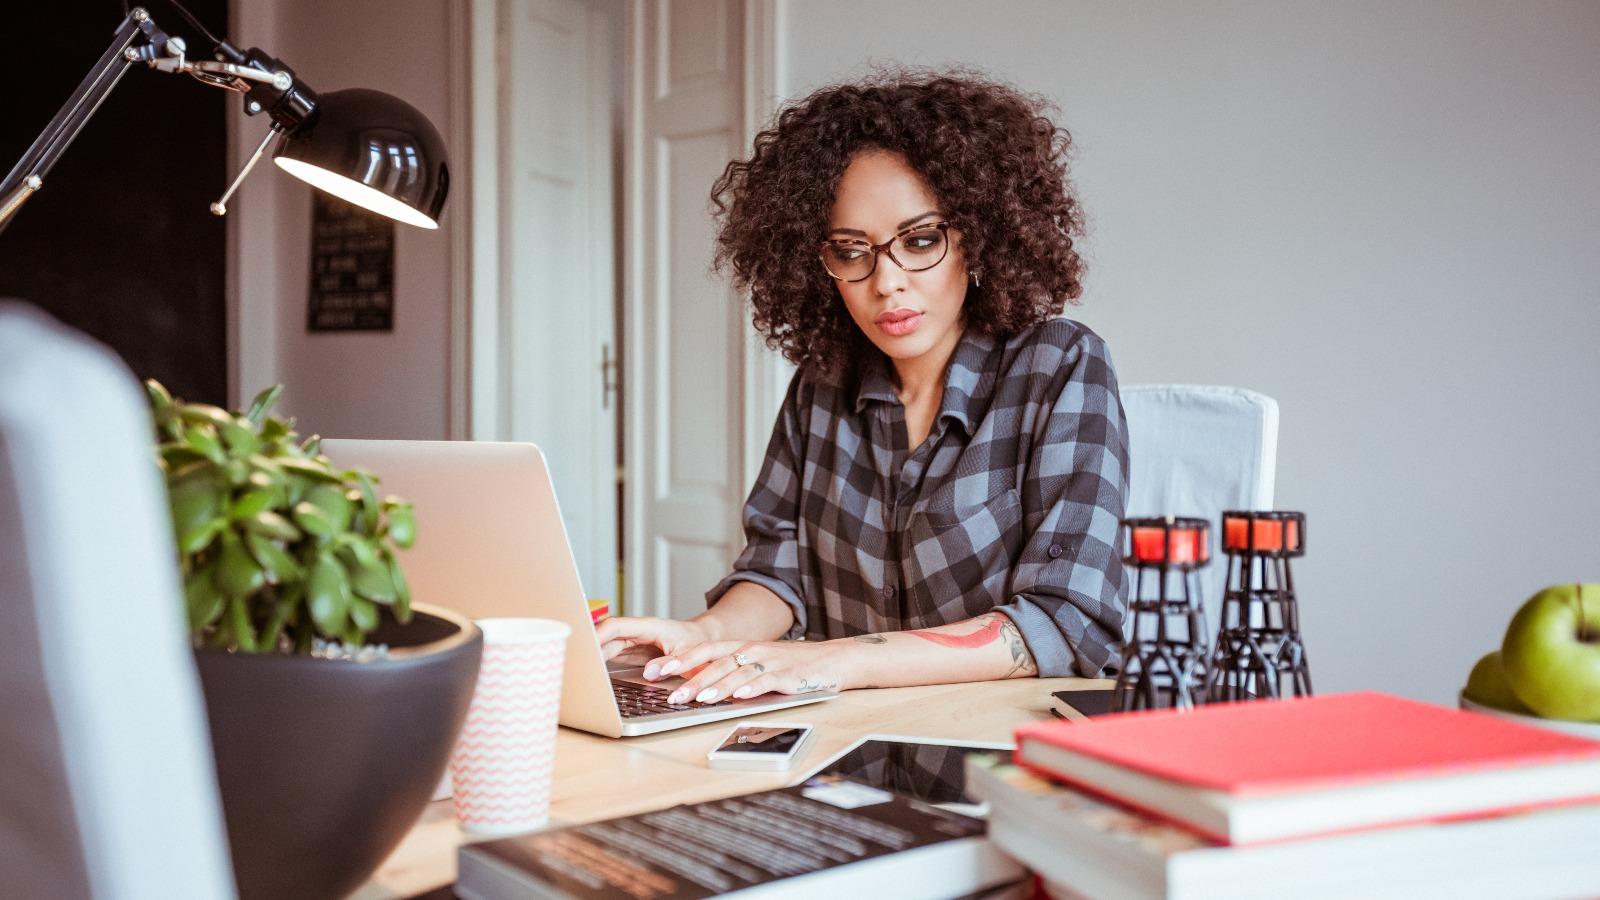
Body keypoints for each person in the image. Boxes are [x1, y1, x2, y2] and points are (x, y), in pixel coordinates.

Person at [597, 69, 1129, 706]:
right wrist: (699, 634)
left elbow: (1065, 621)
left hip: (999, 767)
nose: (887, 282)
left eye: (920, 240)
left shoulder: (1061, 367)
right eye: (852, 251)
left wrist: (839, 660)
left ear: (978, 234)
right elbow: (779, 572)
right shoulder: (821, 388)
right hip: (844, 759)